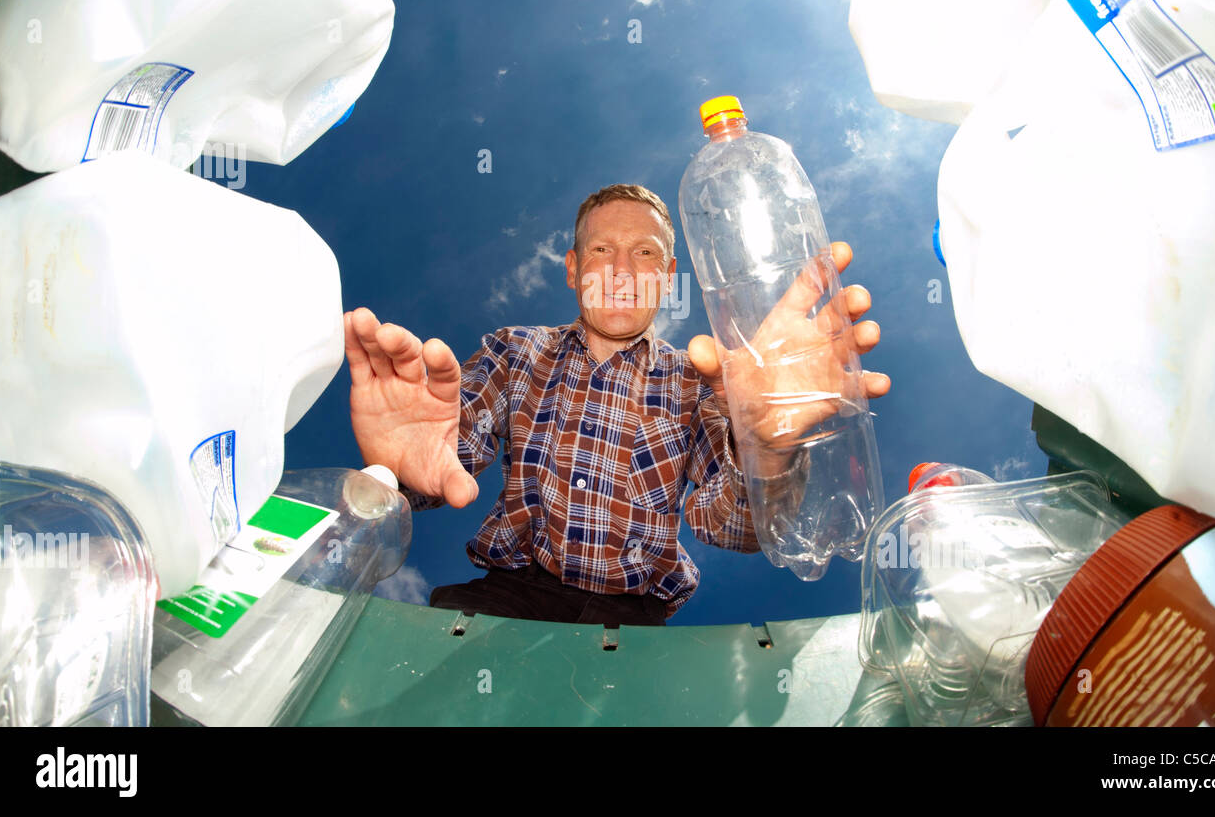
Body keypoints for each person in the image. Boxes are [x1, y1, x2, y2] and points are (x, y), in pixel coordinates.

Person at [344, 184, 889, 627]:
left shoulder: (699, 382)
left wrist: (765, 450)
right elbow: (448, 452)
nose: (623, 271)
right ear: (573, 268)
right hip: (502, 603)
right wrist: (398, 468)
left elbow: (735, 530)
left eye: (645, 253)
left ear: (668, 274)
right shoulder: (516, 351)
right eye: (603, 251)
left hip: (631, 625)